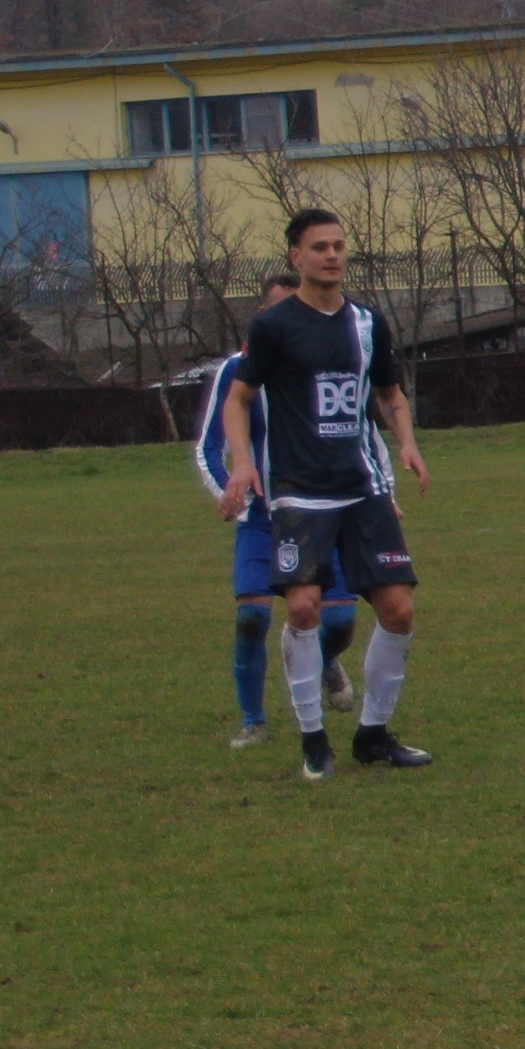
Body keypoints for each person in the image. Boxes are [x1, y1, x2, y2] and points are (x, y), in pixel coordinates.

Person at [216, 208, 432, 782]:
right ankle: (313, 740)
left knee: (399, 609)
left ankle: (373, 734)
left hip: (362, 486)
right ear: (296, 257)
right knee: (304, 607)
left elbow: (389, 393)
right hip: (300, 491)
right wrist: (243, 462)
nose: (332, 255)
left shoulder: (367, 322)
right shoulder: (273, 326)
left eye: (339, 245)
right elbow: (238, 399)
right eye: (319, 247)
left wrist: (406, 444)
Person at [199, 271, 357, 747]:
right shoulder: (237, 370)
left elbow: (355, 428)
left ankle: (325, 661)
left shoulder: (327, 359)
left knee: (339, 622)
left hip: (320, 513)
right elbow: (209, 446)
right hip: (262, 520)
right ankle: (254, 721)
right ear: (265, 316)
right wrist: (231, 492)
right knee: (252, 618)